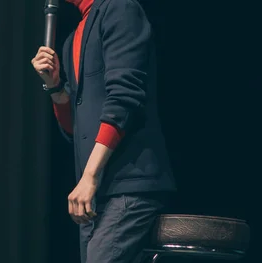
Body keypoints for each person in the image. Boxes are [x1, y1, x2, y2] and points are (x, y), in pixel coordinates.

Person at [31, 0, 176, 262]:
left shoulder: (120, 8)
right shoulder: (73, 39)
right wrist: (54, 87)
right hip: (96, 195)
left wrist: (89, 176)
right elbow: (76, 130)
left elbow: (124, 100)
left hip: (129, 184)